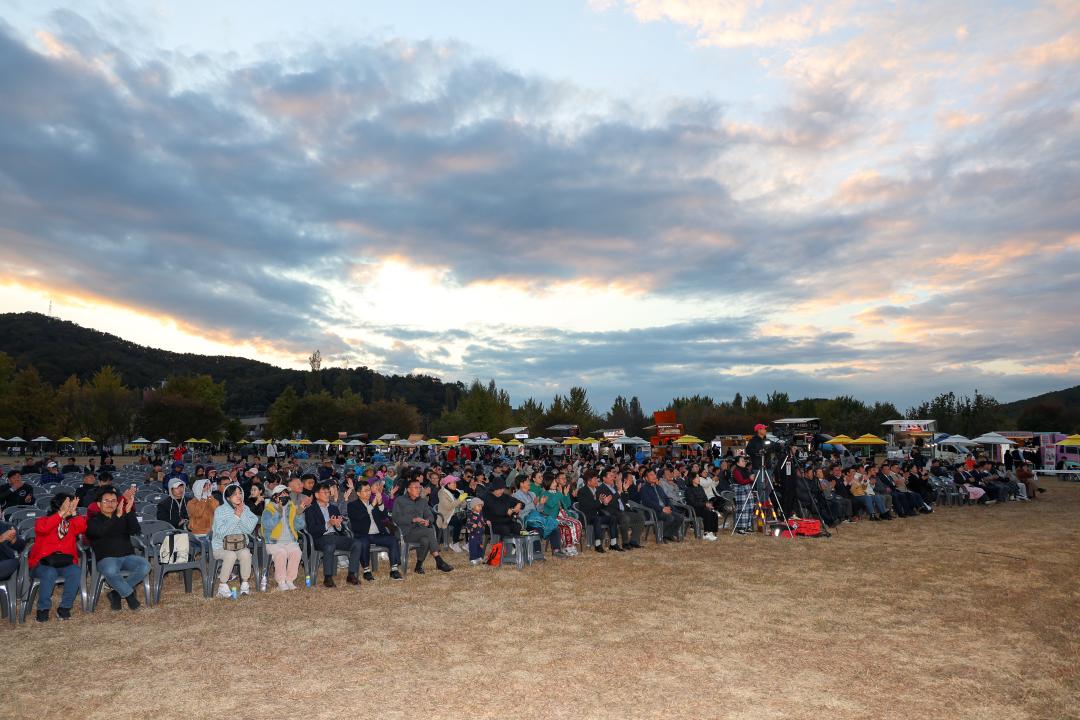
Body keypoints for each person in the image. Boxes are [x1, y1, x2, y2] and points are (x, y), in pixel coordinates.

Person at [85, 487, 150, 611]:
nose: (110, 504)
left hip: (127, 556)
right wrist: (117, 516)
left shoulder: (122, 516)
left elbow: (135, 529)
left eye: (113, 501)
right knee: (110, 570)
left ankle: (116, 593)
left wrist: (129, 511)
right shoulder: (92, 521)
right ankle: (130, 596)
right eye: (106, 501)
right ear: (99, 504)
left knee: (145, 566)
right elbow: (101, 532)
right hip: (106, 559)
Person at [29, 493, 87, 622]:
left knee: (75, 571)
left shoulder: (70, 523)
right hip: (42, 564)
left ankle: (64, 607)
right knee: (50, 572)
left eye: (72, 505)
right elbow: (43, 529)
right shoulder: (43, 521)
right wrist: (61, 513)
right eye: (68, 504)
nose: (70, 506)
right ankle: (43, 609)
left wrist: (74, 513)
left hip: (64, 563)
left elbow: (83, 527)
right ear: (59, 506)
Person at [304, 481, 362, 587]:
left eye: (328, 492)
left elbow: (340, 529)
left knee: (357, 543)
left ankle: (351, 575)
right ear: (316, 495)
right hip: (319, 539)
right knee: (330, 544)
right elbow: (312, 530)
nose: (328, 494)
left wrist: (338, 525)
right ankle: (328, 577)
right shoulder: (311, 510)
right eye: (324, 492)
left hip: (334, 538)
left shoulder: (333, 508)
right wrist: (328, 524)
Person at [392, 477, 453, 574]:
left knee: (426, 540)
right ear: (408, 489)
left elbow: (430, 515)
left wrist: (428, 521)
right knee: (429, 531)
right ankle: (439, 561)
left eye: (419, 487)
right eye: (415, 487)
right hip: (405, 532)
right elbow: (396, 518)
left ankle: (418, 566)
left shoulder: (422, 501)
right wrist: (413, 519)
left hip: (420, 531)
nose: (419, 489)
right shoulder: (400, 500)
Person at [346, 481, 403, 581]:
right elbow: (360, 517)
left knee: (393, 540)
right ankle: (366, 571)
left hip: (378, 534)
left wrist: (380, 503)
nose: (368, 493)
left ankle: (394, 569)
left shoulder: (374, 502)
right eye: (365, 490)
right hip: (363, 534)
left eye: (369, 490)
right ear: (358, 493)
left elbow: (384, 515)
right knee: (363, 542)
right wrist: (372, 505)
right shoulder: (352, 505)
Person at [211, 484, 258, 598]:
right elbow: (220, 532)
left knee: (246, 553)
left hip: (240, 545)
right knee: (231, 555)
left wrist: (241, 514)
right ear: (228, 497)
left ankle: (244, 584)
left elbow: (249, 528)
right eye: (235, 494)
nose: (239, 496)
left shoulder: (244, 508)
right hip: (221, 547)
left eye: (240, 493)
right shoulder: (220, 511)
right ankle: (222, 585)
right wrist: (236, 516)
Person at [261, 484, 306, 591]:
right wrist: (278, 513)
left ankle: (289, 580)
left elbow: (299, 526)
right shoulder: (268, 509)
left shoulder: (292, 508)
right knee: (281, 552)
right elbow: (267, 526)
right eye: (282, 494)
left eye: (286, 493)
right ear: (275, 497)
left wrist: (299, 514)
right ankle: (281, 582)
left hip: (290, 541)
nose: (285, 496)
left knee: (297, 552)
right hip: (274, 542)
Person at [512, 477, 566, 556]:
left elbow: (539, 510)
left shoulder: (532, 494)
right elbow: (520, 511)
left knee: (554, 526)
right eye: (527, 481)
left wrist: (541, 503)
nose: (529, 483)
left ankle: (556, 550)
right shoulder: (515, 496)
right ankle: (537, 552)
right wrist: (533, 504)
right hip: (525, 521)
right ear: (521, 484)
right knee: (538, 529)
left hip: (536, 518)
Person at [600, 467, 644, 549]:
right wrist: (619, 491)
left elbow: (624, 500)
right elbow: (610, 502)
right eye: (611, 476)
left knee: (640, 517)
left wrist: (625, 490)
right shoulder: (601, 488)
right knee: (625, 518)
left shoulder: (614, 487)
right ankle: (625, 543)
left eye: (613, 476)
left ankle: (634, 541)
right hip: (613, 512)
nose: (613, 477)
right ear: (604, 478)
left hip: (622, 510)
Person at [575, 470, 619, 552]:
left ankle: (613, 543)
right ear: (588, 482)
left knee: (613, 518)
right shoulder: (582, 491)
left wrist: (605, 503)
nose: (597, 481)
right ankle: (598, 545)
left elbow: (599, 505)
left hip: (597, 515)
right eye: (595, 479)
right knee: (597, 519)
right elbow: (588, 506)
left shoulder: (598, 490)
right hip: (587, 516)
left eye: (597, 479)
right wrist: (600, 501)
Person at [538, 472, 581, 555]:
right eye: (554, 482)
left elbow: (567, 504)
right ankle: (566, 547)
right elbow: (551, 504)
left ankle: (571, 545)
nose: (555, 483)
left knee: (577, 523)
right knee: (569, 525)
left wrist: (565, 494)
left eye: (555, 482)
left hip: (562, 515)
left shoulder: (558, 492)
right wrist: (560, 493)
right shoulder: (544, 493)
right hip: (552, 517)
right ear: (548, 483)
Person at [639, 469, 685, 542]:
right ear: (646, 478)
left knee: (680, 517)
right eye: (651, 475)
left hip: (664, 509)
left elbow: (667, 499)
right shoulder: (644, 489)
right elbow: (648, 502)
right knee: (670, 517)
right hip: (654, 511)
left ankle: (669, 534)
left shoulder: (658, 487)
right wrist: (662, 509)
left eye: (654, 474)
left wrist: (669, 507)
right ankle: (662, 535)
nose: (654, 476)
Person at [684, 472, 720, 540]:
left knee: (714, 513)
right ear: (692, 479)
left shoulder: (700, 487)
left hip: (702, 507)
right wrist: (705, 504)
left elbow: (705, 498)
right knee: (707, 513)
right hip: (693, 509)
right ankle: (706, 533)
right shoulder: (689, 489)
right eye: (697, 477)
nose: (699, 479)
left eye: (699, 477)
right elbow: (693, 502)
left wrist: (708, 504)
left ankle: (712, 532)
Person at [436, 475, 468, 552]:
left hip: (458, 513)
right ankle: (454, 543)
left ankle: (468, 543)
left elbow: (464, 505)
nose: (455, 485)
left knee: (470, 519)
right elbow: (448, 507)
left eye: (455, 483)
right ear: (447, 484)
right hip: (446, 515)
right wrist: (460, 500)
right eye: (453, 483)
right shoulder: (442, 493)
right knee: (458, 522)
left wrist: (462, 501)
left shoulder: (457, 491)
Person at [731, 455, 754, 534]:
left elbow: (748, 481)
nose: (744, 462)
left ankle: (748, 526)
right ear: (737, 463)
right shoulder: (736, 471)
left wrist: (751, 479)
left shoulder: (745, 470)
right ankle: (741, 528)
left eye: (744, 460)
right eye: (742, 461)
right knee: (742, 509)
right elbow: (741, 481)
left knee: (750, 508)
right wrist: (750, 479)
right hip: (740, 491)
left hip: (747, 490)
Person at [0, 518, 27, 582]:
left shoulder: (7, 527)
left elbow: (21, 547)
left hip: (4, 564)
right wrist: (1, 538)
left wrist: (13, 540)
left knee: (14, 562)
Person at [464, 499, 486, 565]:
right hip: (473, 535)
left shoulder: (480, 514)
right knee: (473, 547)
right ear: (473, 507)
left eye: (481, 506)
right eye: (478, 506)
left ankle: (479, 557)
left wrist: (486, 521)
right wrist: (472, 525)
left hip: (480, 534)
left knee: (480, 546)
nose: (480, 508)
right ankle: (473, 559)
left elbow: (483, 520)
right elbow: (467, 524)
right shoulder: (470, 514)